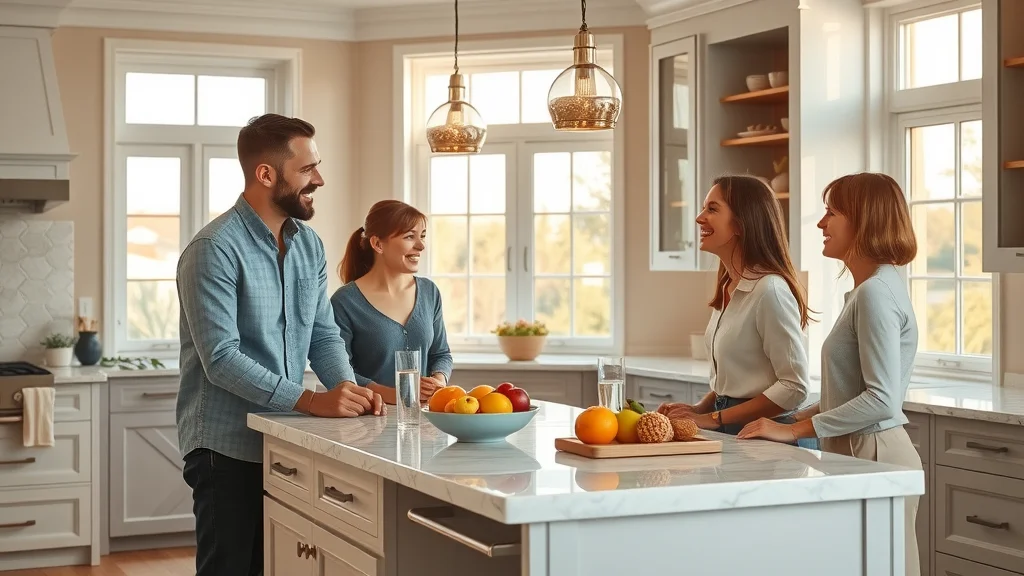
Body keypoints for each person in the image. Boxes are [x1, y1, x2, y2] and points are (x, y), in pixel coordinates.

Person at [175, 113, 385, 576]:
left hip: (285, 437)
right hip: (226, 445)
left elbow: (322, 333)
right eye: (307, 169)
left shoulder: (308, 245)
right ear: (266, 174)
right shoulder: (213, 249)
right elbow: (221, 359)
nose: (319, 179)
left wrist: (346, 390)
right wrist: (311, 401)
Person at [738, 172, 923, 576]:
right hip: (858, 450)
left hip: (874, 454)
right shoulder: (871, 288)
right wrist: (788, 420)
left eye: (832, 213)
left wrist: (793, 430)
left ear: (864, 220)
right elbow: (850, 392)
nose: (821, 223)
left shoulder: (875, 293)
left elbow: (881, 401)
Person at [657, 175, 812, 441]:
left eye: (712, 209)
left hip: (767, 438)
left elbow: (794, 386)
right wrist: (699, 409)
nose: (700, 218)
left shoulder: (769, 290)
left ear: (741, 223)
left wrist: (713, 418)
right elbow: (736, 379)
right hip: (735, 430)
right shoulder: (730, 286)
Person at [330, 199, 453, 405]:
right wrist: (390, 394)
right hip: (368, 418)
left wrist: (438, 381)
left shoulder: (429, 292)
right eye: (409, 237)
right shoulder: (345, 302)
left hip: (422, 417)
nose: (421, 246)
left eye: (422, 236)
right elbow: (339, 370)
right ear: (378, 244)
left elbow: (441, 354)